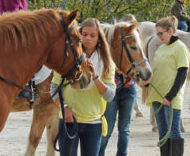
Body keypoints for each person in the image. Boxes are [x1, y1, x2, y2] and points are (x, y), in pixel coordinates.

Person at [56, 18, 116, 156]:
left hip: (94, 123)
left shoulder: (107, 63)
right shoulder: (67, 57)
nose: (87, 38)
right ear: (79, 34)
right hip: (69, 119)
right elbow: (54, 88)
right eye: (84, 34)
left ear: (99, 38)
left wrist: (95, 77)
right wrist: (64, 108)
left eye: (92, 35)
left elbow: (110, 96)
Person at [146, 16, 188, 156]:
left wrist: (170, 96)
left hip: (170, 98)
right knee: (163, 132)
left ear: (170, 31)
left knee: (174, 131)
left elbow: (182, 74)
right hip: (157, 96)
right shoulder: (161, 48)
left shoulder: (180, 48)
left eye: (160, 34)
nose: (159, 37)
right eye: (157, 34)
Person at [98, 14, 138, 156]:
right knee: (106, 129)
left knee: (124, 129)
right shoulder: (110, 44)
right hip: (113, 89)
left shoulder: (135, 44)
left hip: (129, 88)